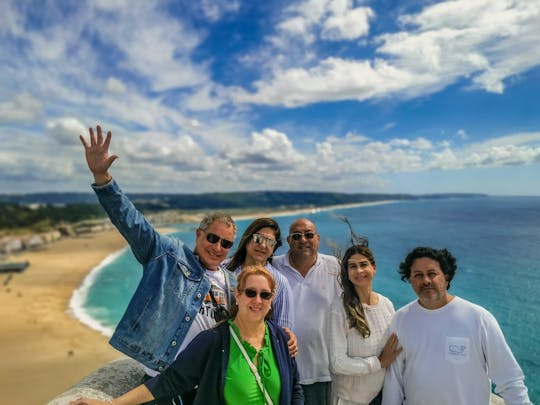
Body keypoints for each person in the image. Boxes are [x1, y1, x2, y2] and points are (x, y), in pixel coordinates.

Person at [79, 126, 238, 382]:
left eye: (226, 244)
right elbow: (133, 224)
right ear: (199, 234)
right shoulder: (169, 256)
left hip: (207, 382)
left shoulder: (232, 283)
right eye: (213, 238)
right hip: (164, 379)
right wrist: (103, 177)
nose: (218, 247)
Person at [69, 266, 304, 405]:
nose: (257, 300)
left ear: (272, 300)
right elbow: (170, 380)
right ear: (238, 295)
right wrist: (112, 404)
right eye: (251, 293)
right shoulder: (214, 341)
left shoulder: (279, 339)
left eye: (265, 295)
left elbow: (295, 388)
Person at [382, 246, 532, 405]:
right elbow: (394, 380)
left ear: (446, 277)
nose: (425, 280)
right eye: (418, 275)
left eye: (432, 274)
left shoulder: (479, 319)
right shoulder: (401, 319)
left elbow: (509, 379)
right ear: (410, 280)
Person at [272, 218, 341, 405]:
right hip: (283, 370)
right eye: (296, 236)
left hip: (324, 371)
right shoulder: (273, 266)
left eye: (309, 235)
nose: (303, 240)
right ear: (288, 241)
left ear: (317, 239)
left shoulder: (335, 266)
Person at [326, 244, 401, 405]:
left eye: (363, 264)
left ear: (373, 267)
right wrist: (378, 363)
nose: (359, 271)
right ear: (347, 272)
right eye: (353, 266)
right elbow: (337, 363)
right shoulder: (339, 309)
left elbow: (395, 348)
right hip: (350, 400)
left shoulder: (386, 304)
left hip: (383, 397)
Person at [226, 217, 295, 330]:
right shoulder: (224, 269)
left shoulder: (280, 283)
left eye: (269, 242)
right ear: (247, 239)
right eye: (258, 238)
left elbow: (283, 331)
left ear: (274, 248)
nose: (263, 245)